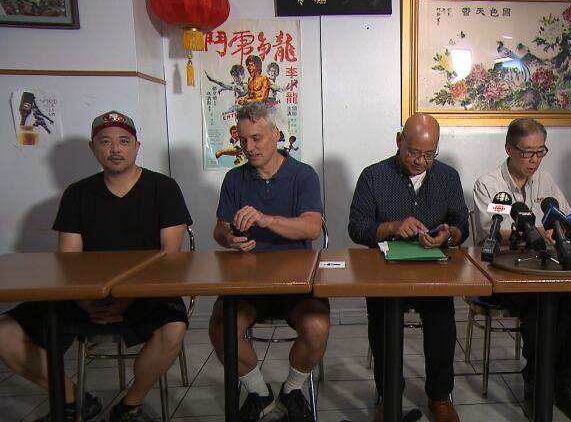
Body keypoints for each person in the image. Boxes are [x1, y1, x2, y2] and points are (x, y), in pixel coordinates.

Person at [0, 110, 192, 422]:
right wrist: (85, 300)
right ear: (93, 149)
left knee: (173, 330)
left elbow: (169, 257)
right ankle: (75, 399)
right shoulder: (78, 194)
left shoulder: (163, 188)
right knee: (4, 332)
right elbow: (69, 260)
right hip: (83, 294)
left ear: (136, 146)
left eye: (123, 141)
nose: (115, 149)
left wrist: (126, 297)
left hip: (147, 292)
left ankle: (130, 405)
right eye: (105, 142)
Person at [208, 101, 328, 422]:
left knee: (317, 328)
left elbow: (312, 227)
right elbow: (220, 229)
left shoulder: (303, 175)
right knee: (221, 329)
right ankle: (259, 391)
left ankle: (292, 388)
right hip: (247, 281)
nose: (250, 147)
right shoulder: (235, 180)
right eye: (244, 139)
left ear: (275, 134)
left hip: (297, 280)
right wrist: (228, 238)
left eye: (257, 138)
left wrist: (265, 219)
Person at [472, 118, 571, 422]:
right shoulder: (489, 184)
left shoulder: (546, 181)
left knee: (564, 299)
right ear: (509, 149)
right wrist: (544, 230)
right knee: (542, 302)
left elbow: (564, 217)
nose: (534, 160)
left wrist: (560, 228)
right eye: (527, 152)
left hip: (542, 266)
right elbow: (496, 231)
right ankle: (537, 381)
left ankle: (565, 383)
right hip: (503, 272)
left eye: (541, 152)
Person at [348, 113, 469, 422]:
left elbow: (460, 225)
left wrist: (448, 235)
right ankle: (388, 396)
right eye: (413, 152)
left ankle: (440, 397)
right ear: (399, 141)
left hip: (433, 272)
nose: (420, 161)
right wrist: (391, 226)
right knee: (383, 319)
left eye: (429, 154)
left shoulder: (448, 177)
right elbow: (357, 228)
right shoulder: (373, 176)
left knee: (442, 320)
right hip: (386, 273)